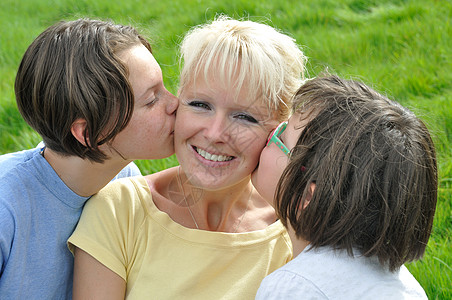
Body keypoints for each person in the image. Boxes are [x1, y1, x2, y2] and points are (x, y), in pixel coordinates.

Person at [68, 16, 307, 299]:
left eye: (244, 117)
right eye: (199, 105)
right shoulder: (119, 209)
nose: (215, 133)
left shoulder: (298, 231)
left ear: (279, 130)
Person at [0, 18, 178, 299]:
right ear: (90, 133)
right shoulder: (5, 206)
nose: (175, 103)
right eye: (152, 99)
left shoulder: (124, 179)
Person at [252, 74, 437, 299]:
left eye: (280, 135)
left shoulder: (294, 287)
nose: (269, 135)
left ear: (306, 196)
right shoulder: (407, 287)